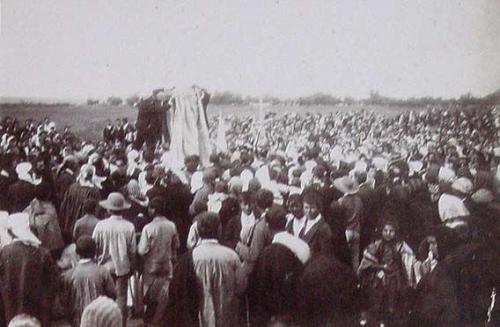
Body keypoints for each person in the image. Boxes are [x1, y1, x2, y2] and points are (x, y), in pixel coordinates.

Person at [0, 213, 59, 326]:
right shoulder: (42, 253)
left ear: (11, 232)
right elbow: (52, 284)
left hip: (10, 307)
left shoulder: (4, 253)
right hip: (36, 310)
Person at [358, 219, 417, 326]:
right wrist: (381, 267)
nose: (388, 234)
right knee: (377, 301)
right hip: (379, 277)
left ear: (396, 232)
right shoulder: (377, 245)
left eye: (391, 231)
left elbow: (409, 258)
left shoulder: (400, 245)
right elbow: (367, 261)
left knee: (393, 302)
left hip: (395, 278)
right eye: (385, 230)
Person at [192, 212, 245, 326]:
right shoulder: (231, 256)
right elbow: (241, 286)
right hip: (226, 315)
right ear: (219, 230)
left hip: (200, 316)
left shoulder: (191, 258)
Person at [92, 192, 136, 326]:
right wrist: (132, 266)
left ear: (108, 209)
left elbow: (94, 245)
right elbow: (132, 250)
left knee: (102, 299)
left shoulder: (100, 225)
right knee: (121, 298)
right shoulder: (129, 226)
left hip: (103, 267)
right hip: (122, 267)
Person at [138, 197, 180, 322]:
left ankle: (149, 320)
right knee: (164, 295)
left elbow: (142, 249)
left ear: (154, 210)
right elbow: (176, 245)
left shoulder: (148, 228)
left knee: (149, 296)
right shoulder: (172, 225)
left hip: (151, 266)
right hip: (167, 264)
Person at [62, 236, 116, 326]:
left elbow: (64, 300)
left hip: (77, 320)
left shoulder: (68, 275)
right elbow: (112, 294)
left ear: (77, 253)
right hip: (98, 318)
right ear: (95, 252)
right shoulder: (102, 271)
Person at [60, 164, 101, 243]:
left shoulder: (72, 187)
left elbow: (64, 206)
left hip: (70, 222)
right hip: (86, 225)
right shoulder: (94, 191)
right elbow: (97, 210)